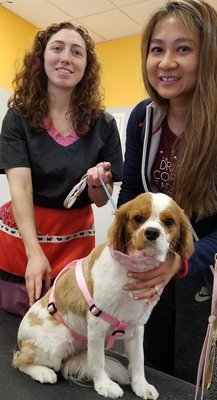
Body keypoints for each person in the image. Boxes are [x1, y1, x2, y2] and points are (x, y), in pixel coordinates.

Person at [118, 0, 217, 383]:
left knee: (190, 376)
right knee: (145, 368)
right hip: (148, 271)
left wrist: (181, 263)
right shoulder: (143, 117)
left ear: (208, 55)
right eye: (157, 49)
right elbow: (131, 192)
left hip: (201, 275)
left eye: (183, 48)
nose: (166, 62)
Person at [0, 21, 123, 317]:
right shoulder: (18, 118)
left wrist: (97, 183)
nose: (66, 57)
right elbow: (21, 188)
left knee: (69, 322)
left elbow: (101, 199)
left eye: (76, 52)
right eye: (57, 48)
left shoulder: (104, 125)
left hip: (75, 240)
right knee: (15, 326)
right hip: (22, 239)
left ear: (86, 66)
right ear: (42, 58)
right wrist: (33, 253)